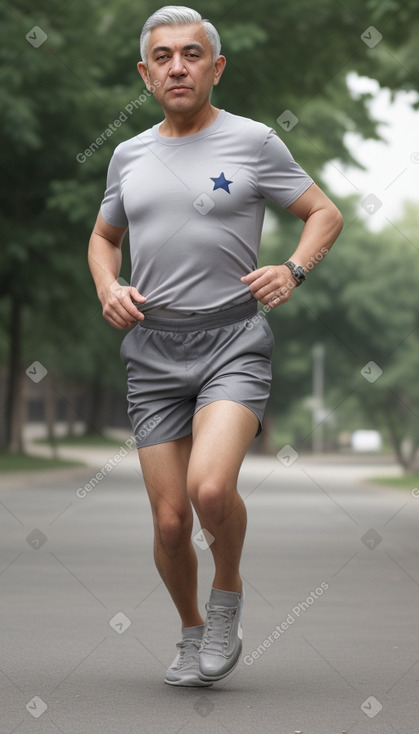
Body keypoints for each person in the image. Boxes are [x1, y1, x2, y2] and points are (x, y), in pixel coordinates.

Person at [88, 5, 343, 687]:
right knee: (170, 523)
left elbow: (324, 212)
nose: (178, 66)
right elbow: (103, 237)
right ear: (146, 74)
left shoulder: (255, 143)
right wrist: (107, 285)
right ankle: (190, 629)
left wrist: (292, 269)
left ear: (215, 67)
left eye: (192, 54)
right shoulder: (128, 154)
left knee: (208, 487)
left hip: (232, 340)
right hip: (151, 349)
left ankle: (225, 592)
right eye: (163, 56)